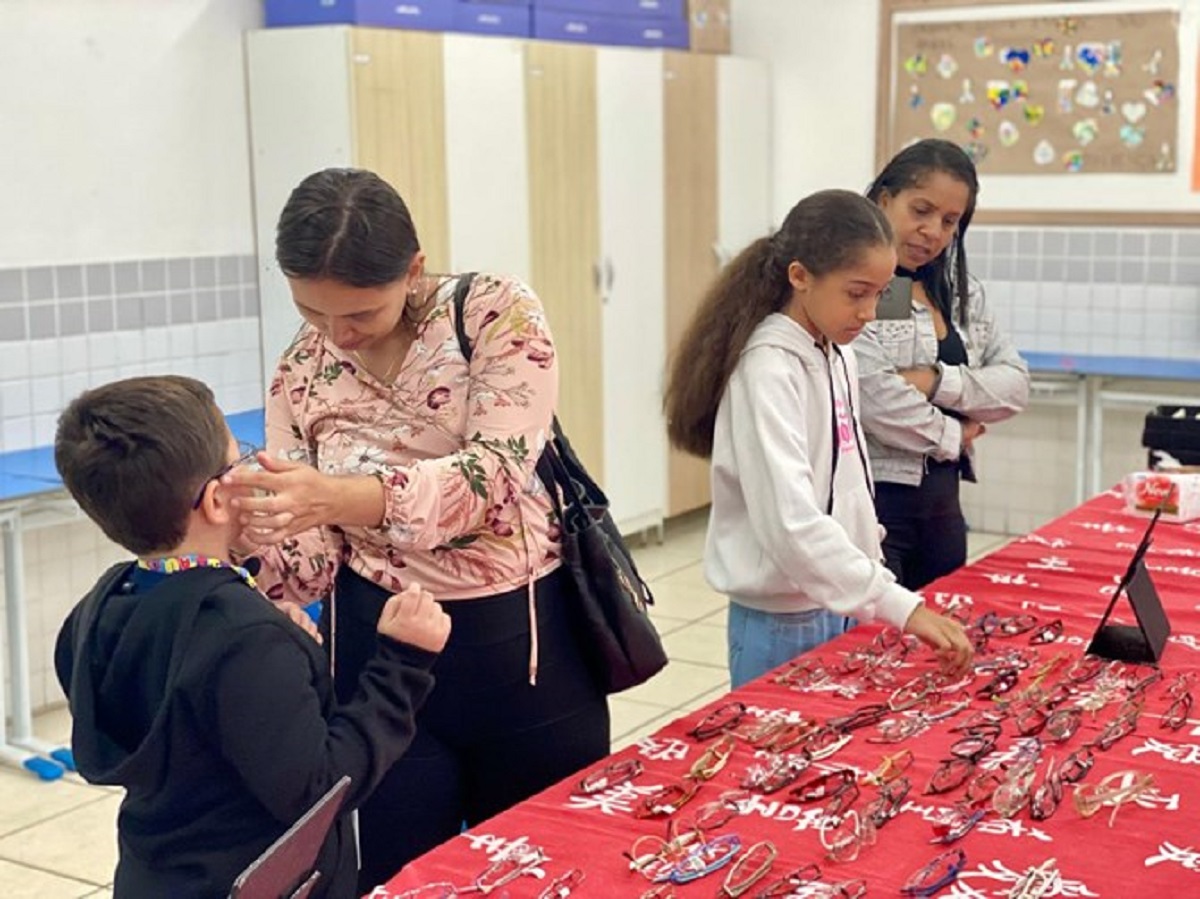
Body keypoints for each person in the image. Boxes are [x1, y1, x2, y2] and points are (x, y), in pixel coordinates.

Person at [225, 168, 610, 889]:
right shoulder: (301, 370)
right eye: (311, 311)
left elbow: (493, 476)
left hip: (522, 644)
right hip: (381, 655)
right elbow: (310, 564)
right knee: (401, 871)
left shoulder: (493, 312)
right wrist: (256, 532)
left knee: (548, 864)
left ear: (413, 269)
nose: (336, 335)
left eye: (359, 314)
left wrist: (337, 496)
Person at [53, 375, 450, 899]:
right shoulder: (243, 636)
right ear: (217, 499)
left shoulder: (97, 609)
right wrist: (402, 662)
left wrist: (269, 644)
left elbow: (190, 716)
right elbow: (320, 788)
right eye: (239, 458)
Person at [663, 189, 973, 689]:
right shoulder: (767, 369)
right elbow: (792, 523)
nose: (869, 312)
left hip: (839, 599)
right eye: (856, 293)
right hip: (782, 620)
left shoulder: (837, 353)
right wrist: (900, 605)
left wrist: (871, 581)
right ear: (800, 277)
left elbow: (849, 481)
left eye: (879, 293)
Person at [856, 139, 1030, 590]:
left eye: (949, 221)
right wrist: (957, 433)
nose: (932, 231)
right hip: (877, 505)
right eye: (921, 210)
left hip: (944, 506)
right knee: (873, 648)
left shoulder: (957, 291)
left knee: (941, 644)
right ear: (884, 200)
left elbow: (1015, 384)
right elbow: (877, 400)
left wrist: (935, 382)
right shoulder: (870, 290)